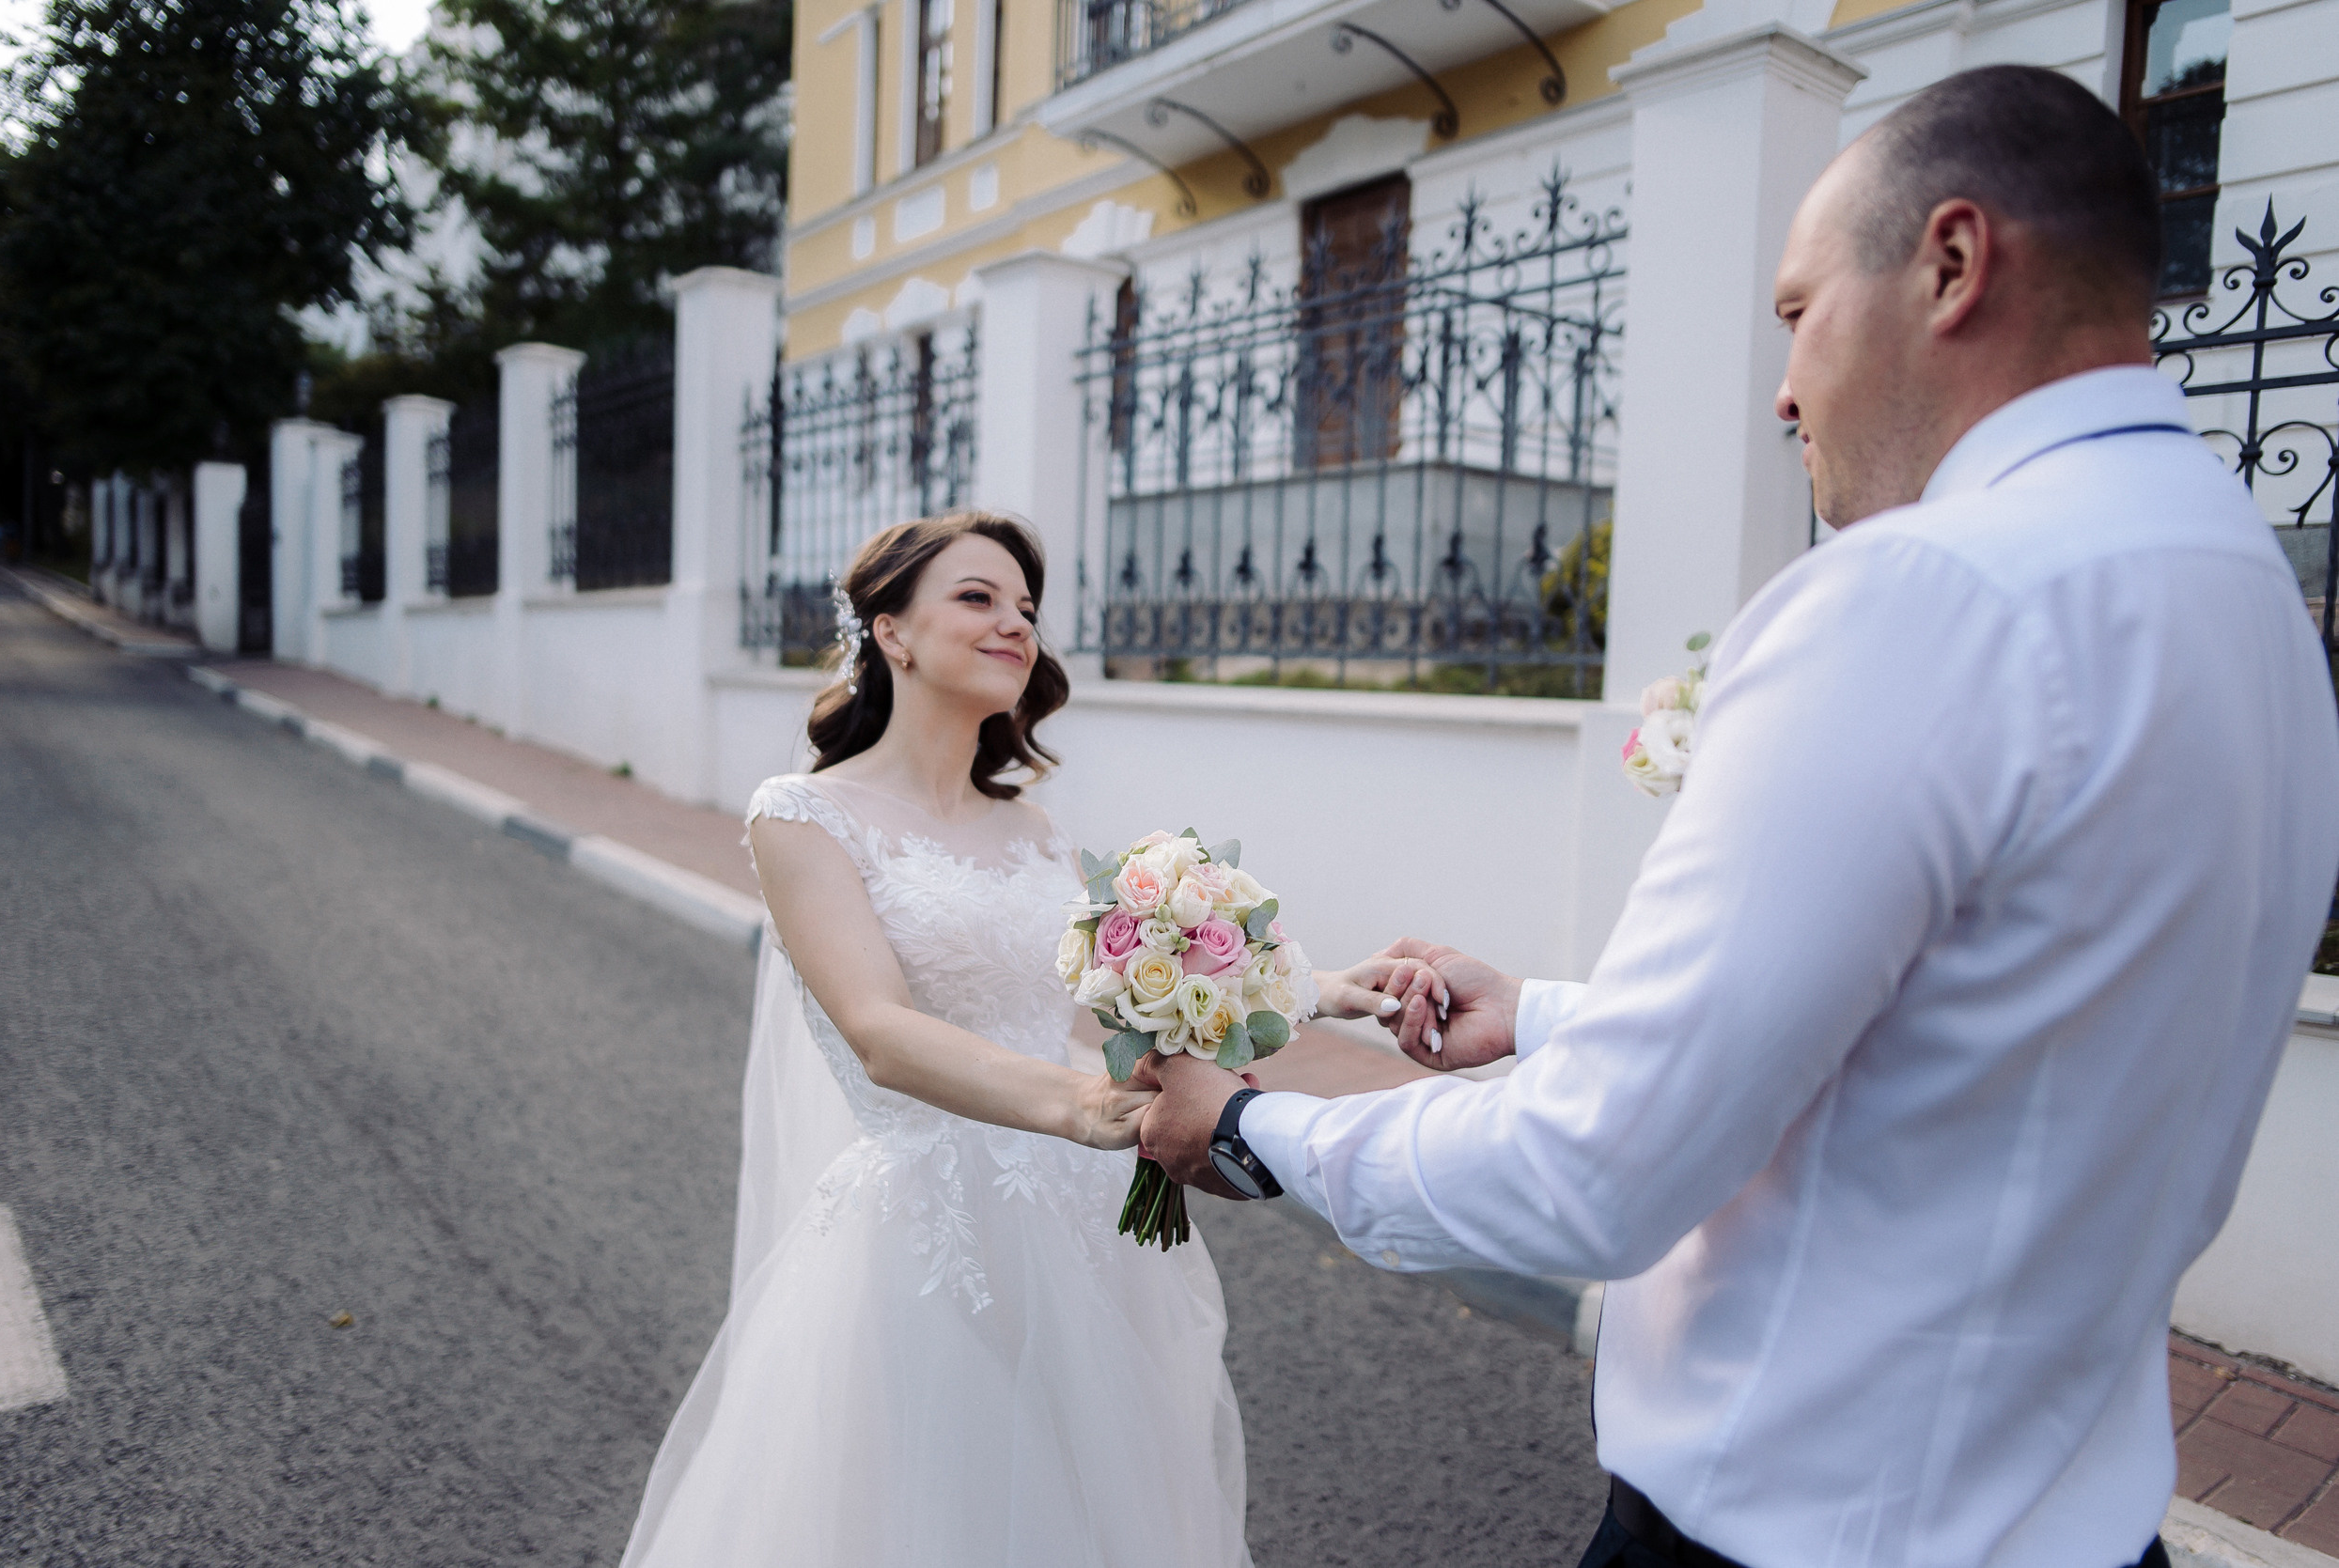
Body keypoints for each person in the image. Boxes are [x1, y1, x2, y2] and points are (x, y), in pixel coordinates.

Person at [1134, 65, 2339, 1568]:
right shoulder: (2252, 600)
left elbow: (1600, 1172)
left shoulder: (1921, 597)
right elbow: (1992, 1038)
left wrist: (1256, 1129)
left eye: (1796, 313)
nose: (1783, 391)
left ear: (1953, 265)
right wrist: (1556, 1015)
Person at [618, 510, 1425, 1568]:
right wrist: (1081, 1104)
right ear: (890, 631)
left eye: (1028, 609)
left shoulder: (1032, 827)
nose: (1015, 624)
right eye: (978, 597)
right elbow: (879, 1030)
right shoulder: (804, 816)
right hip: (927, 1231)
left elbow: (1103, 999)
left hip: (1084, 1227)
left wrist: (1317, 989)